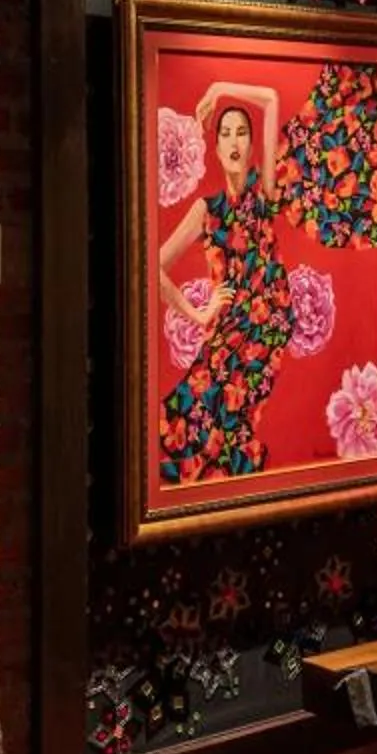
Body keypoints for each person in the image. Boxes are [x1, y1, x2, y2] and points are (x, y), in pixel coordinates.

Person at [154, 83, 290, 483]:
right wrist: (199, 313)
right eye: (225, 133)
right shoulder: (206, 210)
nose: (234, 141)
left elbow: (271, 99)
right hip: (226, 335)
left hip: (264, 333)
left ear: (251, 145)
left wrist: (217, 89)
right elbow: (153, 267)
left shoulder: (263, 193)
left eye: (241, 133)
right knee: (191, 420)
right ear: (215, 149)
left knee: (227, 421)